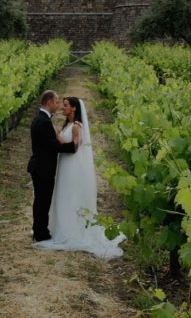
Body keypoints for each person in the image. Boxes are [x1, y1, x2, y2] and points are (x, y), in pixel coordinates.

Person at [34, 96, 126, 259]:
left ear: (74, 108)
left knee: (71, 195)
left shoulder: (77, 126)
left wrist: (56, 138)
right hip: (64, 164)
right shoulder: (68, 124)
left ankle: (71, 229)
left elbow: (75, 147)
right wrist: (55, 136)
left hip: (72, 165)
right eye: (62, 105)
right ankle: (61, 226)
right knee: (63, 195)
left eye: (66, 106)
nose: (63, 108)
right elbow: (61, 142)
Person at [28, 90, 77, 242]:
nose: (58, 105)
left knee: (40, 200)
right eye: (56, 102)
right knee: (43, 201)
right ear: (49, 102)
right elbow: (53, 146)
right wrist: (73, 147)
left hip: (40, 167)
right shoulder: (43, 122)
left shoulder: (41, 119)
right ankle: (41, 233)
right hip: (43, 168)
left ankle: (39, 230)